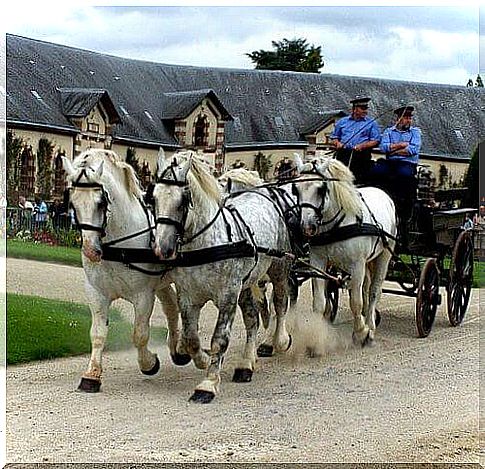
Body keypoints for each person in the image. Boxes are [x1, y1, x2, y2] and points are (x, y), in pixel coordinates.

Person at [370, 104, 422, 248]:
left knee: (404, 175)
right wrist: (401, 146)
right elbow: (383, 147)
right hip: (391, 162)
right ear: (398, 119)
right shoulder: (388, 131)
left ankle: (404, 208)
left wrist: (394, 149)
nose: (408, 120)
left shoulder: (415, 132)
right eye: (405, 118)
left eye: (410, 118)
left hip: (407, 164)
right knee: (375, 171)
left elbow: (413, 150)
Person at [330, 95, 381, 185]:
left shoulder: (371, 123)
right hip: (343, 153)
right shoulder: (342, 122)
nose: (365, 111)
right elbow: (334, 137)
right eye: (362, 108)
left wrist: (362, 146)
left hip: (361, 155)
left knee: (359, 179)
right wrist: (337, 143)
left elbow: (375, 140)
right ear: (354, 109)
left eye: (366, 108)